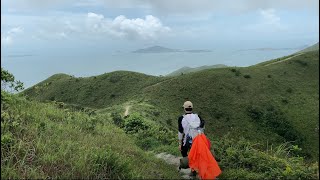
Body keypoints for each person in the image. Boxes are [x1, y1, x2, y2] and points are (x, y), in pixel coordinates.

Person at [178, 101, 205, 175]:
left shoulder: (181, 118)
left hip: (189, 140)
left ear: (184, 109)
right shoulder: (197, 116)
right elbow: (202, 128)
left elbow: (180, 132)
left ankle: (192, 168)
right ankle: (197, 168)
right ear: (192, 108)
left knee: (183, 151)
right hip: (199, 139)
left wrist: (180, 143)